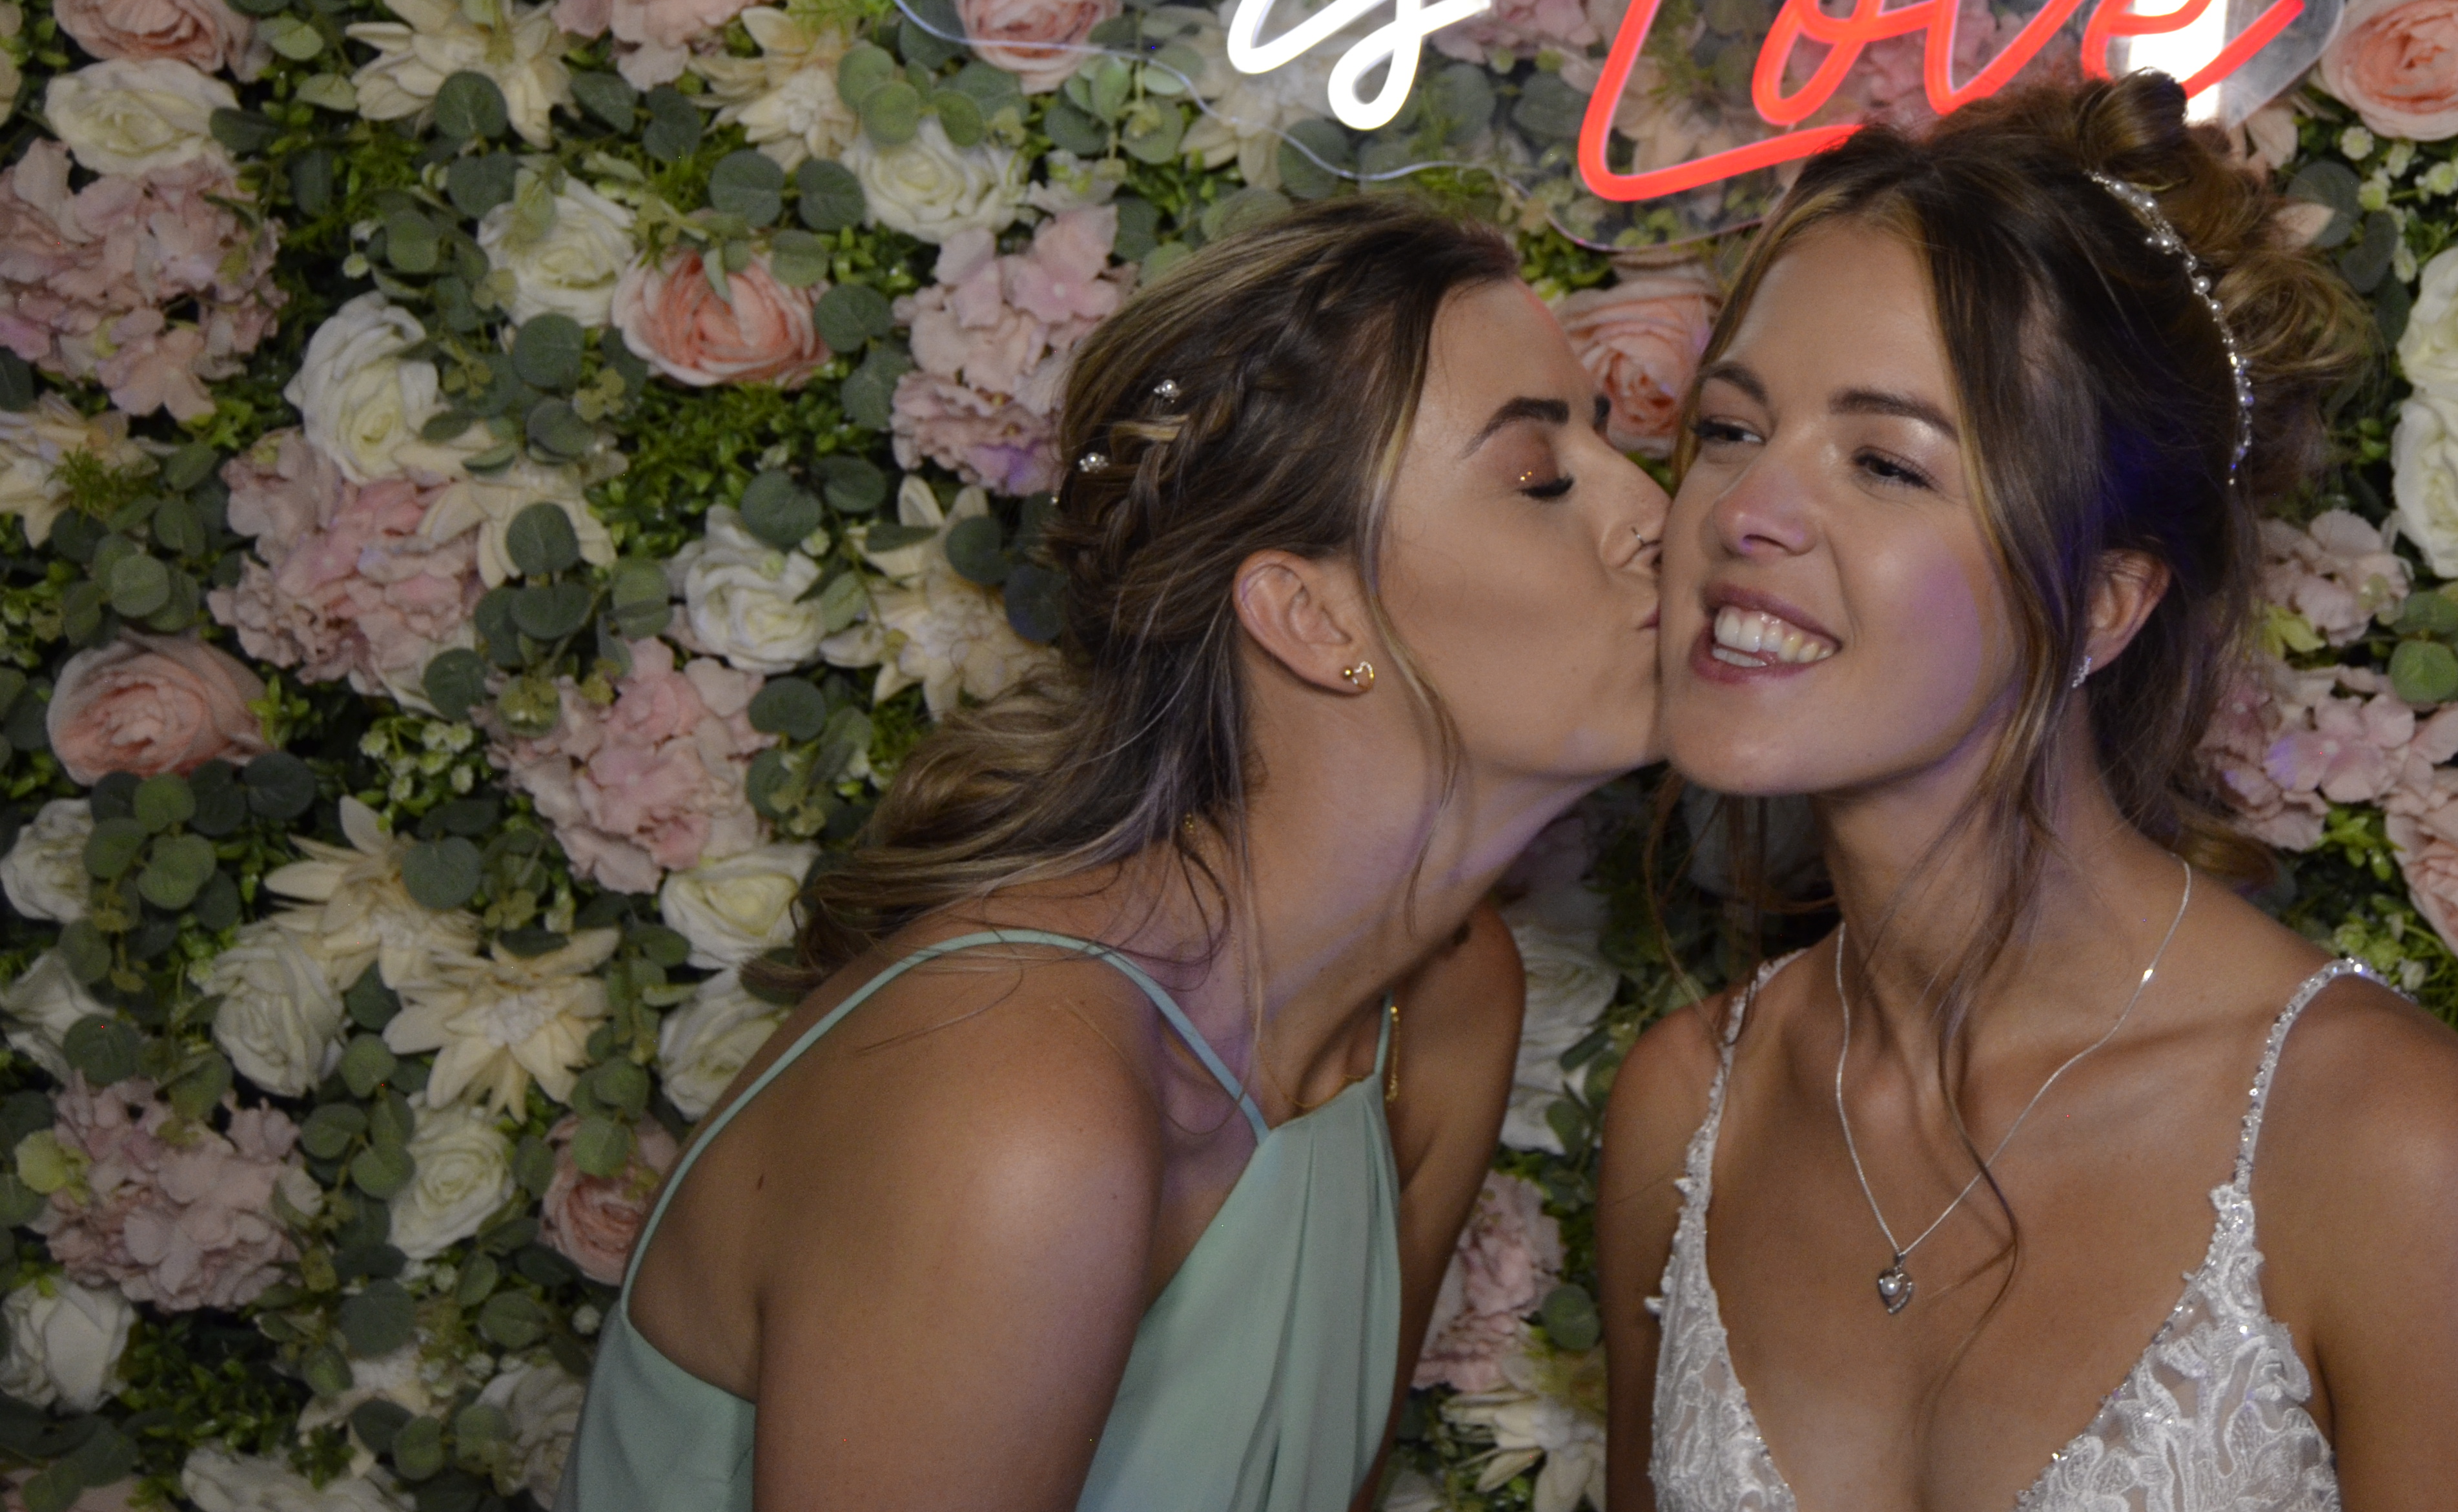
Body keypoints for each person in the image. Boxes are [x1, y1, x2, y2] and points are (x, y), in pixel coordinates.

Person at [1597, 77, 2458, 1511]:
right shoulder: (1688, 1111)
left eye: (1885, 462)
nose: (1745, 513)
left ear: (2101, 603)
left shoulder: (2384, 1147)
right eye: (1727, 429)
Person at [561, 197, 1668, 1512]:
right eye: (1541, 479)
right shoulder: (1013, 1104)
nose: (1657, 513)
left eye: (1614, 442)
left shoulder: (1444, 1008)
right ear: (1311, 617)